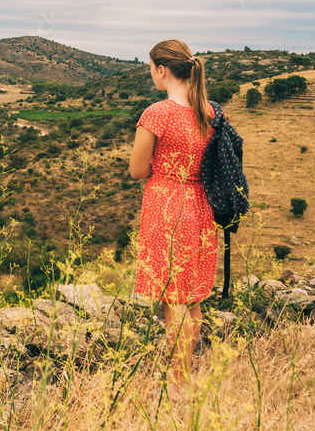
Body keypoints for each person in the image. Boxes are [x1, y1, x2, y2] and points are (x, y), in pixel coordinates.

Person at [129, 39, 218, 403]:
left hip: (167, 204)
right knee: (192, 296)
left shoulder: (157, 114)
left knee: (173, 298)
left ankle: (178, 385)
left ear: (162, 70)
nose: (151, 74)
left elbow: (136, 170)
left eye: (151, 68)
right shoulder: (210, 112)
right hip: (201, 205)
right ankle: (186, 376)